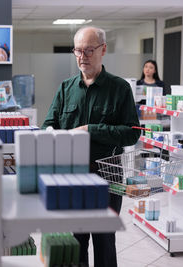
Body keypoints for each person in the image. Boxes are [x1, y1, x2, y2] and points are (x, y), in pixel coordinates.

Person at [41, 26, 141, 267]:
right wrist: (49, 134)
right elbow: (48, 124)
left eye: (88, 50)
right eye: (77, 50)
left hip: (107, 175)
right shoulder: (66, 88)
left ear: (103, 50)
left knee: (104, 241)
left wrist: (90, 129)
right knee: (76, 241)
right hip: (71, 176)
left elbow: (132, 134)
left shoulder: (119, 89)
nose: (81, 56)